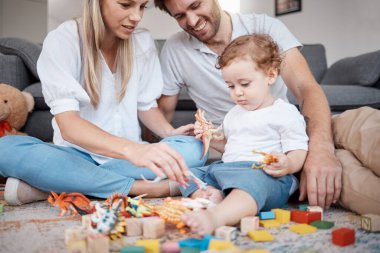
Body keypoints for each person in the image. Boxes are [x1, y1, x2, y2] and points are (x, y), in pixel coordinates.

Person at [0, 0, 206, 206]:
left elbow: (146, 106)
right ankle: (143, 187)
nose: (137, 16)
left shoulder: (142, 42)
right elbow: (69, 126)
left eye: (142, 6)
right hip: (75, 154)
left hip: (126, 160)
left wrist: (169, 133)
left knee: (196, 150)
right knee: (4, 148)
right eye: (126, 5)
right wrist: (133, 151)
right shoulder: (64, 40)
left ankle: (54, 183)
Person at [154, 0, 342, 209]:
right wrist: (159, 149)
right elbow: (162, 116)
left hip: (275, 153)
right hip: (232, 154)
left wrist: (321, 150)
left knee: (351, 131)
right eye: (179, 16)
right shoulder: (175, 50)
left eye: (196, 5)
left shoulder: (265, 29)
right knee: (189, 173)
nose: (192, 21)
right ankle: (207, 195)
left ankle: (222, 212)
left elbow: (307, 89)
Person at [179, 34, 308, 235]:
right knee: (189, 173)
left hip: (264, 174)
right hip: (228, 169)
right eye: (231, 86)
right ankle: (211, 195)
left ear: (271, 75)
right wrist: (210, 137)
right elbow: (230, 146)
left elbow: (299, 150)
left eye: (244, 84)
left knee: (250, 184)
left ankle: (216, 217)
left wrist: (288, 164)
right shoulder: (234, 114)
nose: (237, 93)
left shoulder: (285, 113)